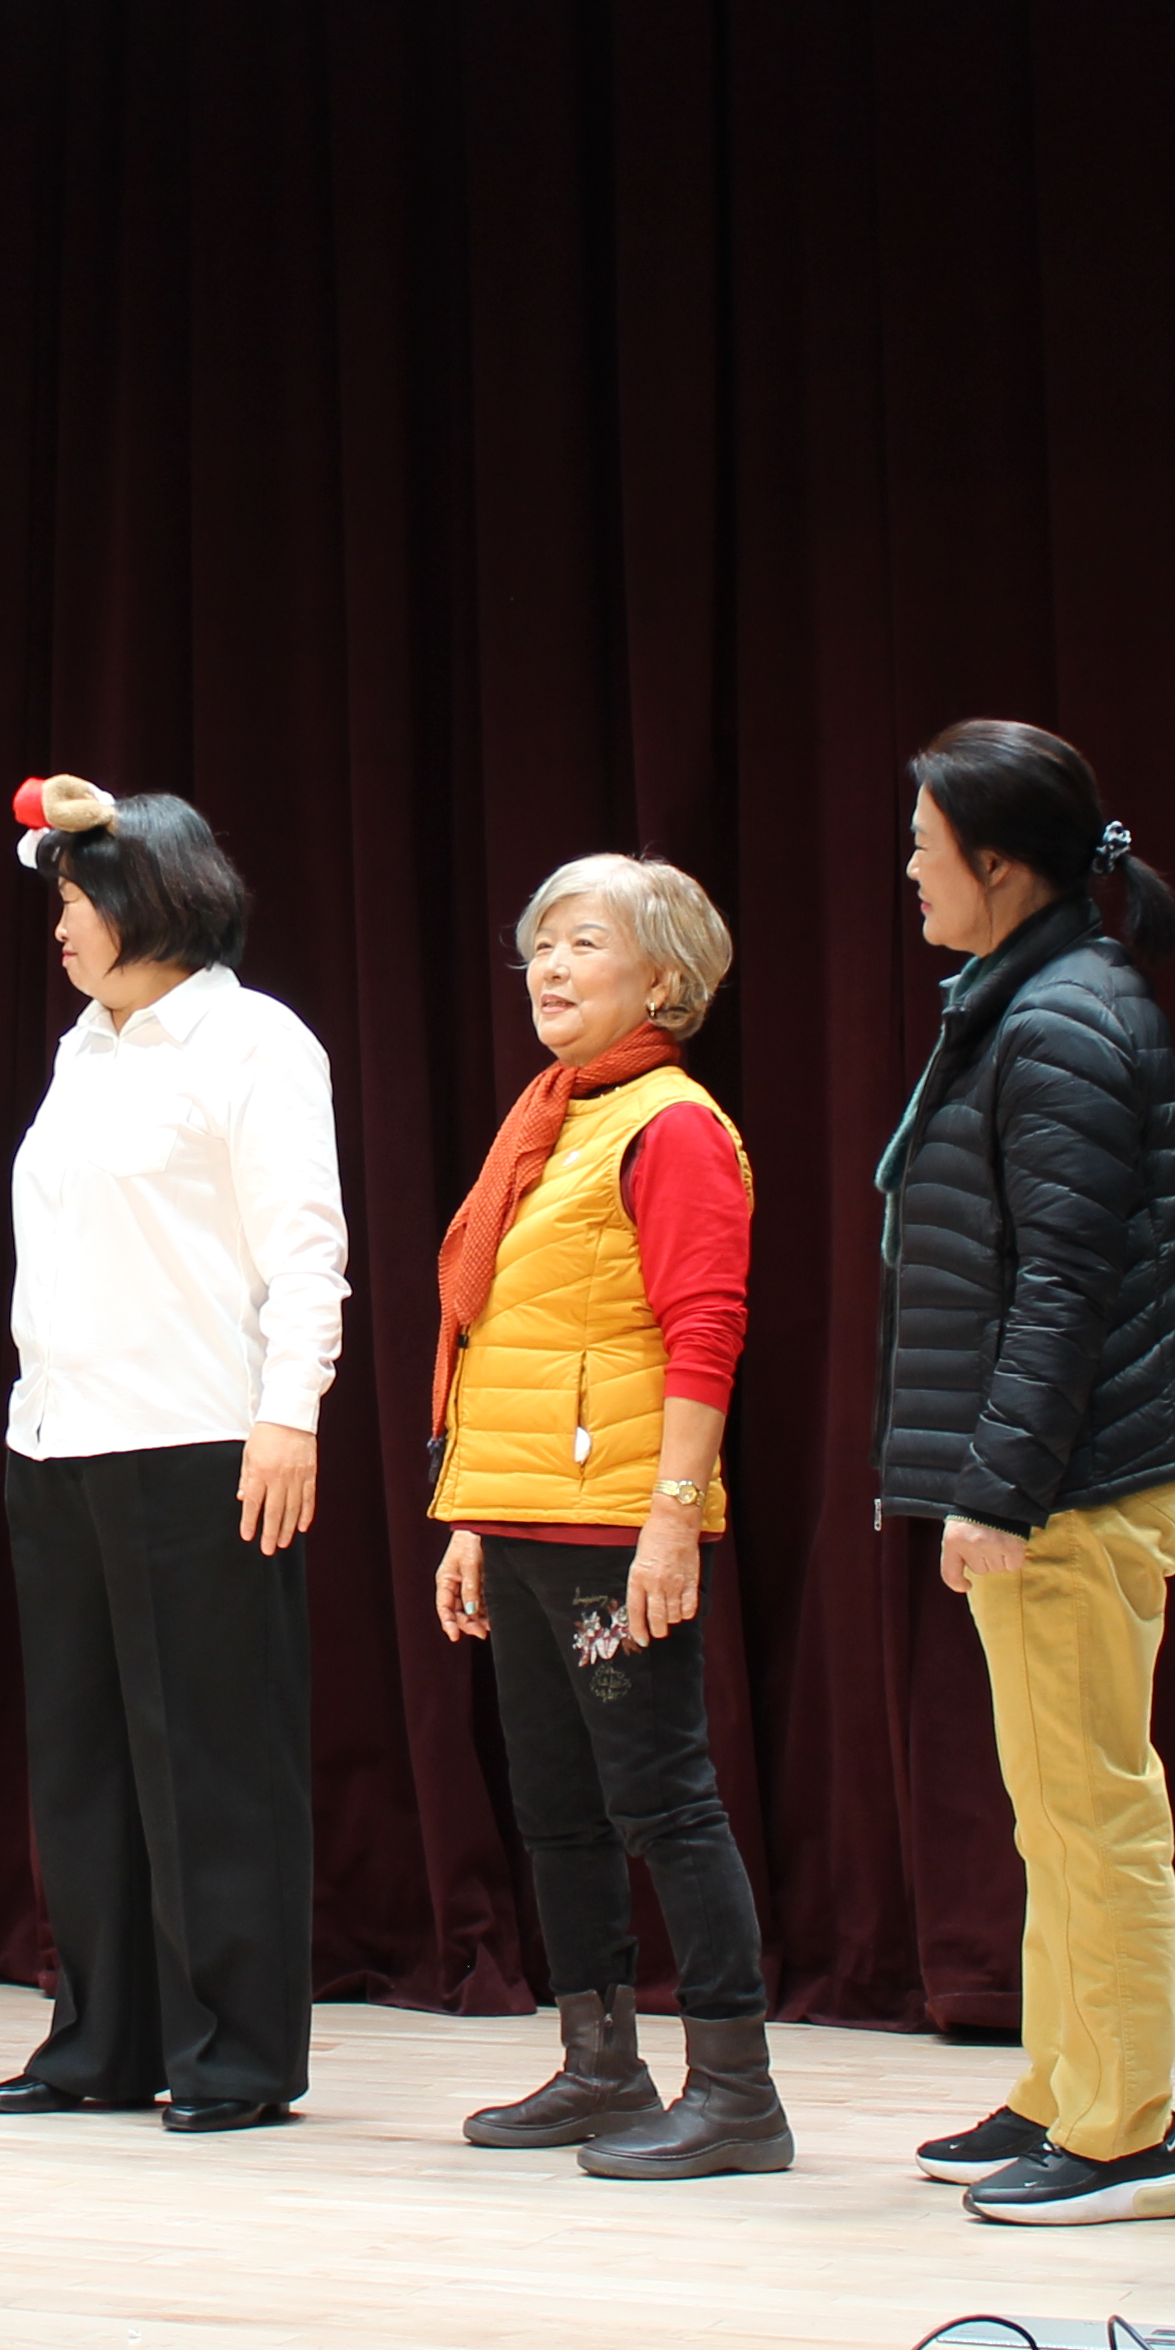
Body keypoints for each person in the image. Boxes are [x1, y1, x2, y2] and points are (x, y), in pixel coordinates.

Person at [873, 725, 1175, 2224]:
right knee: (1053, 1810)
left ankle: (1127, 2133)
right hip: (1060, 1470)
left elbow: (1065, 1286)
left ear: (1001, 864)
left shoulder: (1065, 1017)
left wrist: (999, 1486)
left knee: (1094, 1811)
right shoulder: (1032, 995)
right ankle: (1063, 2087)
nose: (909, 869)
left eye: (926, 845)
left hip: (1080, 1480)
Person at [0, 780, 352, 2136]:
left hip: (199, 1437)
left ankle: (235, 2054)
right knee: (85, 1761)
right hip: (59, 1439)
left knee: (212, 1760)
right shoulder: (87, 1048)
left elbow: (305, 1246)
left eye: (77, 900)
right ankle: (101, 2039)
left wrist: (289, 1412)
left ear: (149, 899)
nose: (61, 928)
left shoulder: (254, 1041)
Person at [428, 857, 780, 2178]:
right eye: (541, 945)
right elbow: (510, 1337)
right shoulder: (553, 1116)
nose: (551, 967)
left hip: (614, 1522)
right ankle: (600, 2066)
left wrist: (672, 1518)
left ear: (664, 978)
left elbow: (707, 1329)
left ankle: (737, 2092)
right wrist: (470, 1515)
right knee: (556, 1810)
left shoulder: (671, 1124)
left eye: (584, 943)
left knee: (663, 1803)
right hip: (524, 1512)